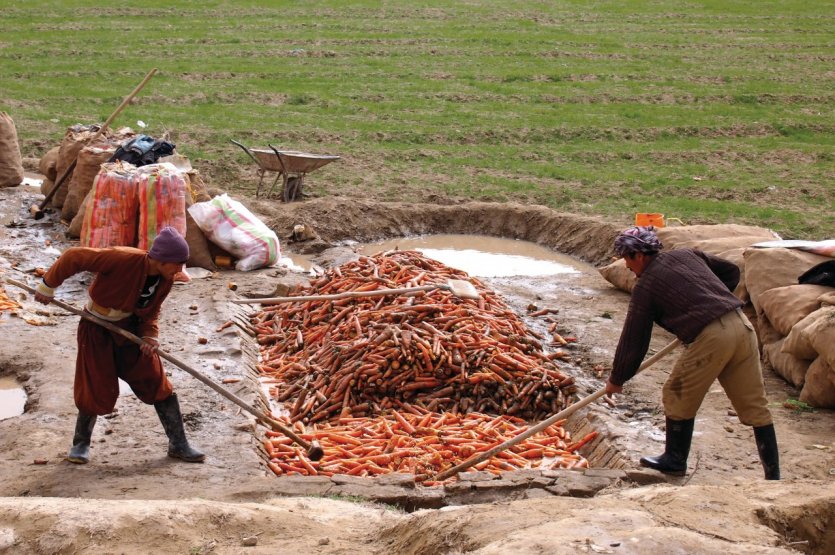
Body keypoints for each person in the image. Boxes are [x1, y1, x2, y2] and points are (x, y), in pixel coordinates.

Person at [605, 226, 779, 480]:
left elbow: (634, 338)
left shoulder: (647, 286)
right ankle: (773, 477)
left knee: (677, 393)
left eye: (627, 259)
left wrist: (617, 379)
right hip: (741, 326)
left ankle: (674, 460)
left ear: (639, 256)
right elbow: (730, 271)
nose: (628, 267)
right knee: (754, 404)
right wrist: (712, 301)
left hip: (713, 338)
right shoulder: (686, 255)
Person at [34, 226, 205, 464]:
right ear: (160, 259)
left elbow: (151, 312)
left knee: (155, 380)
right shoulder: (122, 258)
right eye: (177, 264)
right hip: (96, 328)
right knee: (94, 383)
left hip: (130, 330)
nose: (179, 271)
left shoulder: (165, 280)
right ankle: (80, 444)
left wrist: (149, 336)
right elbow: (73, 256)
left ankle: (179, 443)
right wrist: (47, 285)